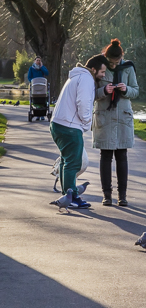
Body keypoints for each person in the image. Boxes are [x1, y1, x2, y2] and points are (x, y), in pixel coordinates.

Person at [50, 54, 108, 209]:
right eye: (102, 72)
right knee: (73, 163)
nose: (103, 75)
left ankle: (67, 195)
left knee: (65, 161)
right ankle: (73, 197)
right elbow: (83, 102)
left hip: (58, 123)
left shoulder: (77, 77)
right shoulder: (87, 79)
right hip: (69, 126)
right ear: (93, 69)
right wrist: (87, 122)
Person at [93, 38, 139, 207]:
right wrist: (104, 90)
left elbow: (136, 90)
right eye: (111, 62)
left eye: (117, 62)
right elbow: (91, 92)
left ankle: (122, 196)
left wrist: (126, 89)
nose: (114, 65)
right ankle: (106, 195)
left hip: (122, 117)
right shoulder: (98, 66)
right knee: (105, 156)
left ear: (121, 57)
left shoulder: (128, 68)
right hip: (105, 116)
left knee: (122, 155)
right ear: (106, 56)